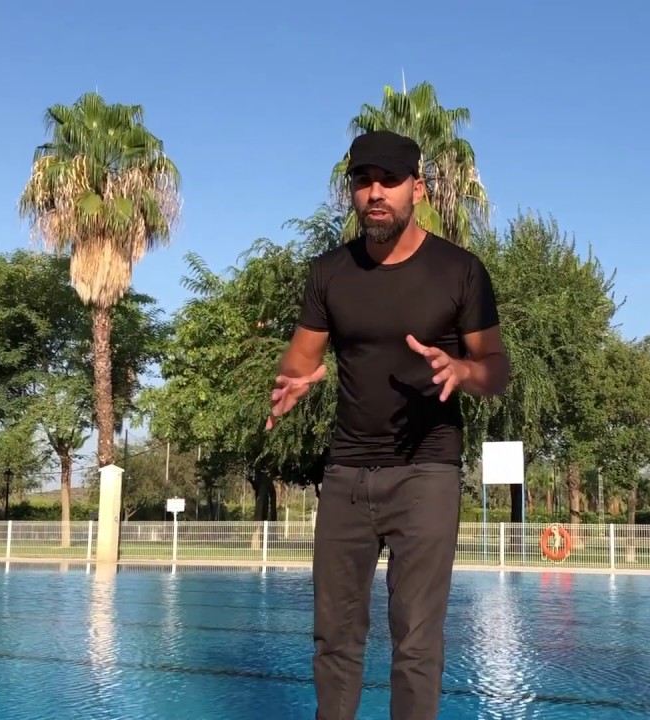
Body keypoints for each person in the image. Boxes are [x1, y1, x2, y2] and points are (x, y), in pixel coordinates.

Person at [267, 129, 509, 720]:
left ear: (417, 189)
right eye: (363, 181)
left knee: (416, 641)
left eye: (390, 181)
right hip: (346, 472)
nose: (375, 193)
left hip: (426, 471)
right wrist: (297, 378)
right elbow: (299, 360)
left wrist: (462, 369)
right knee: (334, 638)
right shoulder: (329, 273)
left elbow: (496, 369)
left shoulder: (459, 270)